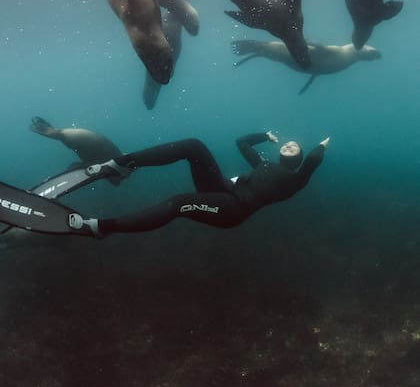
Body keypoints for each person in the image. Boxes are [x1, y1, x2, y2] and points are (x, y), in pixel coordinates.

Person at [0, 132, 329, 239]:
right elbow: (243, 144)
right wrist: (264, 136)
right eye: (286, 144)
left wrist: (322, 146)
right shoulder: (265, 164)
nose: (289, 145)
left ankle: (98, 227)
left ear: (298, 158)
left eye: (294, 148)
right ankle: (122, 162)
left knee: (178, 203)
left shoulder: (295, 180)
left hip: (233, 210)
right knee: (193, 146)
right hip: (220, 191)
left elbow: (312, 161)